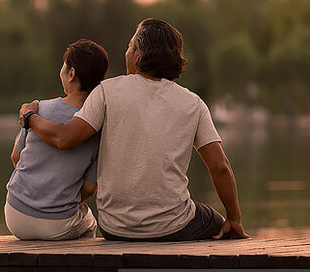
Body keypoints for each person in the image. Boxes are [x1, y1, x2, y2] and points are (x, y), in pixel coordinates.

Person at [17, 18, 248, 241]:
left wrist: (30, 117)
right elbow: (220, 167)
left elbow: (64, 138)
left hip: (114, 227)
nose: (126, 53)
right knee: (218, 223)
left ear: (138, 55)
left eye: (129, 47)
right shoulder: (193, 104)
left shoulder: (107, 91)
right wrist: (234, 218)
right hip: (173, 225)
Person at [5, 39, 108, 240]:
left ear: (71, 74)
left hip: (14, 214)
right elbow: (90, 187)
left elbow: (16, 158)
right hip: (58, 224)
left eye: (63, 67)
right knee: (89, 221)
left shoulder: (38, 109)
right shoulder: (96, 126)